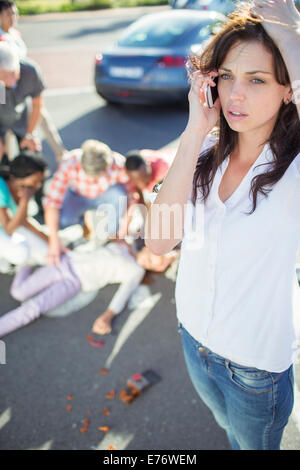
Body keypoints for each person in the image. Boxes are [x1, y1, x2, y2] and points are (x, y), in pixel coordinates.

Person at [146, 0, 300, 450]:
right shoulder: (204, 151)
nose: (236, 95)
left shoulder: (293, 169)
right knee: (228, 434)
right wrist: (195, 130)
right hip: (193, 340)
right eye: (228, 77)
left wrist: (290, 32)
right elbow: (159, 240)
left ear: (288, 89)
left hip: (255, 368)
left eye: (256, 80)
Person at [0, 240, 178, 338]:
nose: (154, 262)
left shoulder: (136, 271)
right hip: (65, 262)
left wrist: (107, 316)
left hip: (74, 281)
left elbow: (122, 295)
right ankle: (26, 263)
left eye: (159, 265)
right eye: (157, 257)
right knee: (18, 292)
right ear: (149, 245)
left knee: (33, 309)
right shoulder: (124, 243)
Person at [43, 139, 138, 266]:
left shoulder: (119, 165)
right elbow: (52, 203)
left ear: (107, 166)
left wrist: (124, 229)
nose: (93, 181)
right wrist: (53, 241)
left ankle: (113, 234)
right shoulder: (69, 162)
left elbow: (132, 198)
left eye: (98, 177)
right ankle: (82, 225)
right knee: (63, 220)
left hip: (104, 197)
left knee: (119, 195)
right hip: (78, 197)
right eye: (89, 176)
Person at [0, 0, 66, 162]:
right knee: (7, 116)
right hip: (5, 88)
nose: (12, 17)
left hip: (20, 85)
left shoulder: (15, 35)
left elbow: (37, 103)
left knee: (37, 115)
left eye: (14, 13)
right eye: (8, 14)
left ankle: (59, 153)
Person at [0, 151, 48, 268]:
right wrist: (25, 200)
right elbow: (8, 229)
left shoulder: (20, 188)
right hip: (6, 228)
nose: (38, 186)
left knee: (46, 252)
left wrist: (49, 240)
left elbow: (23, 221)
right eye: (35, 181)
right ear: (19, 178)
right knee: (21, 253)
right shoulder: (2, 188)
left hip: (9, 225)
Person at [0, 42, 44, 160]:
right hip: (1, 121)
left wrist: (30, 133)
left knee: (33, 155)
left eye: (13, 74)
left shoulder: (31, 71)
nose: (11, 81)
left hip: (22, 119)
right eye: (4, 77)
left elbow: (37, 105)